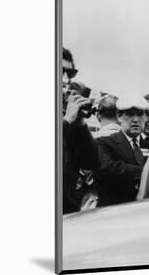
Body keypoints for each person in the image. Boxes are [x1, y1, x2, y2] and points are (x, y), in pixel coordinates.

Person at [62, 48, 100, 214]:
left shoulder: (64, 112)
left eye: (70, 73)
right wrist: (67, 120)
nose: (65, 79)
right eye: (59, 70)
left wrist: (80, 125)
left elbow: (91, 162)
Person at [94, 95, 149, 207]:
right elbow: (108, 168)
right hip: (113, 212)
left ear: (145, 117)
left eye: (139, 114)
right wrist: (147, 172)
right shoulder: (103, 143)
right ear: (119, 116)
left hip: (144, 212)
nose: (135, 120)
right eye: (130, 114)